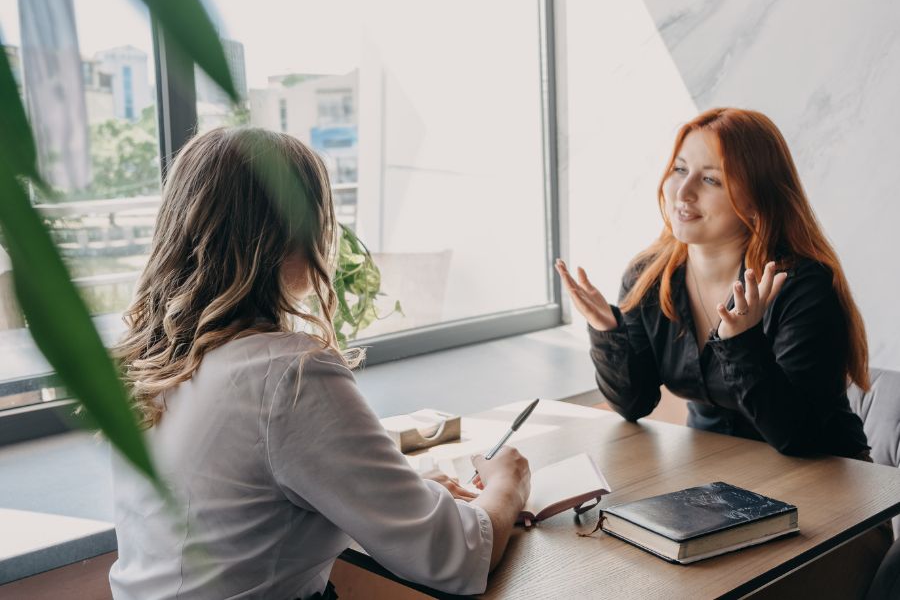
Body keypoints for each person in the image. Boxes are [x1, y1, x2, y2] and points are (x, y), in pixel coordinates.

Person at [108, 127, 530, 599]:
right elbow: (453, 556)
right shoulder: (287, 373)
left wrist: (397, 495)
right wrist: (507, 483)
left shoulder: (155, 361)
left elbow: (244, 511)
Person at [556, 107, 870, 459]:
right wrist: (607, 331)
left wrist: (743, 342)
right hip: (717, 481)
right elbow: (635, 404)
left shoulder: (801, 286)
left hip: (829, 482)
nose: (683, 192)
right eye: (679, 169)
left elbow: (799, 436)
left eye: (710, 180)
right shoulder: (648, 277)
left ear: (756, 201)